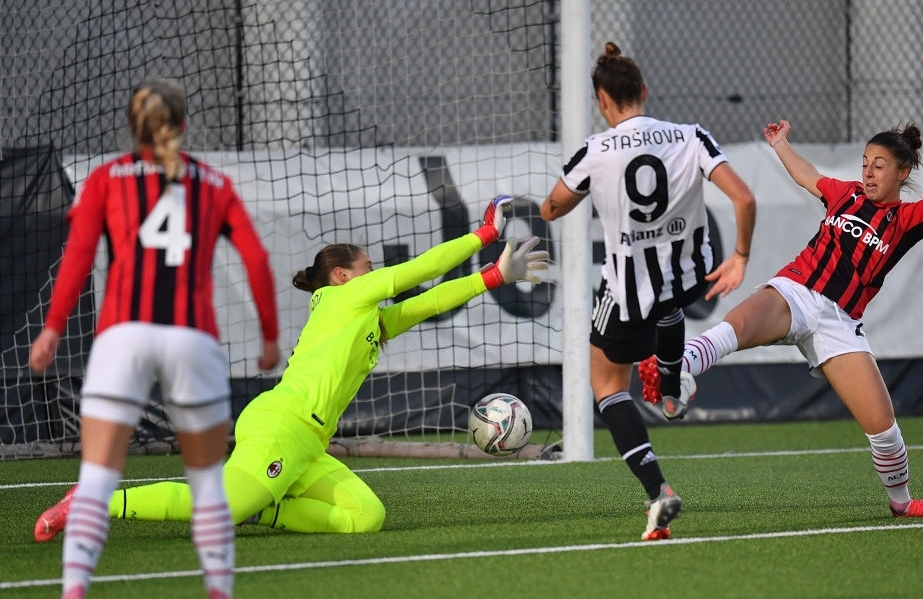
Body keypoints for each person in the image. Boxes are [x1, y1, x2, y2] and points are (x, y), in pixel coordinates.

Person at [36, 196, 549, 539]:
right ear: (345, 276)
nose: (377, 274)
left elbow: (428, 303)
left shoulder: (366, 319)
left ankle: (267, 503)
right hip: (283, 425)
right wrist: (482, 235)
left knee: (365, 519)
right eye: (369, 267)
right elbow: (419, 271)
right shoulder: (343, 299)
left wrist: (494, 278)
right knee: (218, 511)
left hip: (307, 443)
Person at [658, 83, 923, 519]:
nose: (869, 172)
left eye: (879, 166)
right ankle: (678, 373)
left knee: (884, 427)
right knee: (738, 325)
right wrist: (781, 144)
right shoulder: (844, 194)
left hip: (839, 322)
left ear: (902, 173)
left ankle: (903, 504)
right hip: (797, 290)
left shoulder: (908, 219)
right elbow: (806, 174)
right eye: (865, 164)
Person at [29, 78, 281, 599]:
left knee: (96, 478)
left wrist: (50, 330)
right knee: (209, 484)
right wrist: (269, 335)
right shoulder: (212, 183)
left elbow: (75, 260)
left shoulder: (104, 179)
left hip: (122, 337)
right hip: (192, 339)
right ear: (183, 125)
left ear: (131, 125)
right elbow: (257, 259)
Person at [539, 42, 757, 540]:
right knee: (668, 305)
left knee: (607, 385)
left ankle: (659, 492)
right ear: (643, 91)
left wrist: (573, 197)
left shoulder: (595, 151)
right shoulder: (691, 136)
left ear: (602, 100)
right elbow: (744, 197)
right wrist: (740, 255)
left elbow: (552, 209)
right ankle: (673, 385)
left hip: (627, 291)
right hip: (687, 279)